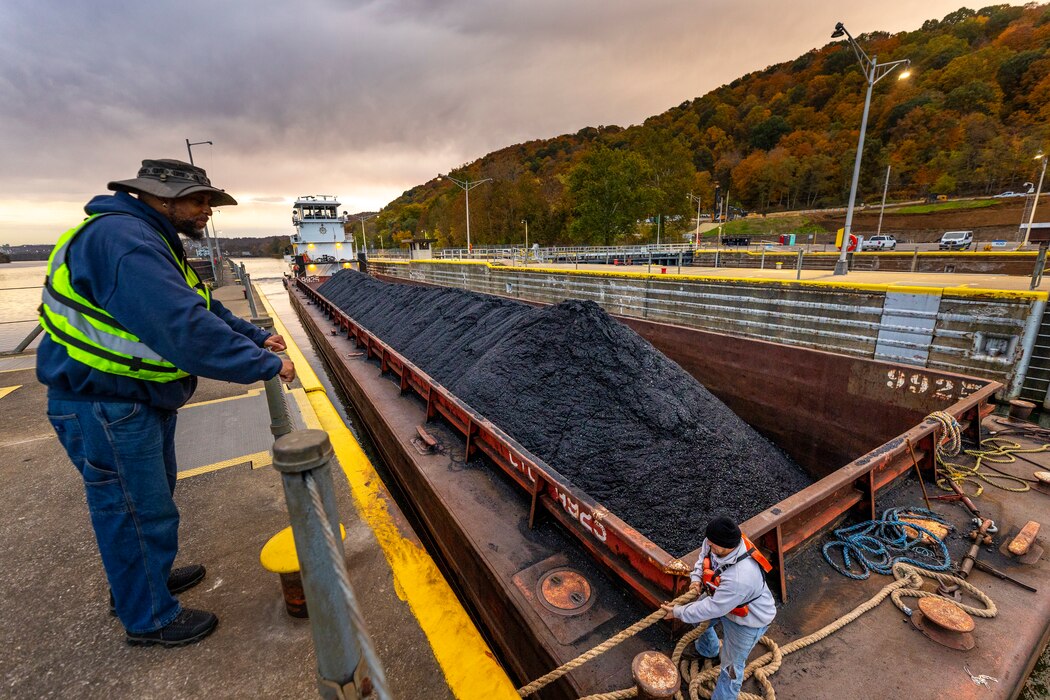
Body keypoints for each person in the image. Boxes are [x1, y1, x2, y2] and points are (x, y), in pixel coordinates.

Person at [38, 158, 295, 647]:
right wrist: (263, 365)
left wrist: (251, 338)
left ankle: (143, 582)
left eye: (208, 202)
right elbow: (182, 327)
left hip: (130, 398)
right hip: (106, 402)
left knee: (148, 502)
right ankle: (149, 615)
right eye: (198, 201)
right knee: (135, 509)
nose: (206, 212)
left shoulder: (145, 237)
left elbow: (202, 305)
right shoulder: (125, 242)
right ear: (160, 197)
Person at [661, 517, 776, 700]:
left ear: (727, 546)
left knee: (731, 669)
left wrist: (677, 612)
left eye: (712, 544)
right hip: (722, 600)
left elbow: (711, 609)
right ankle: (708, 649)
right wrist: (696, 579)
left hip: (747, 621)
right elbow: (703, 558)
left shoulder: (740, 577)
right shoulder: (714, 542)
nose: (708, 545)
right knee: (696, 618)